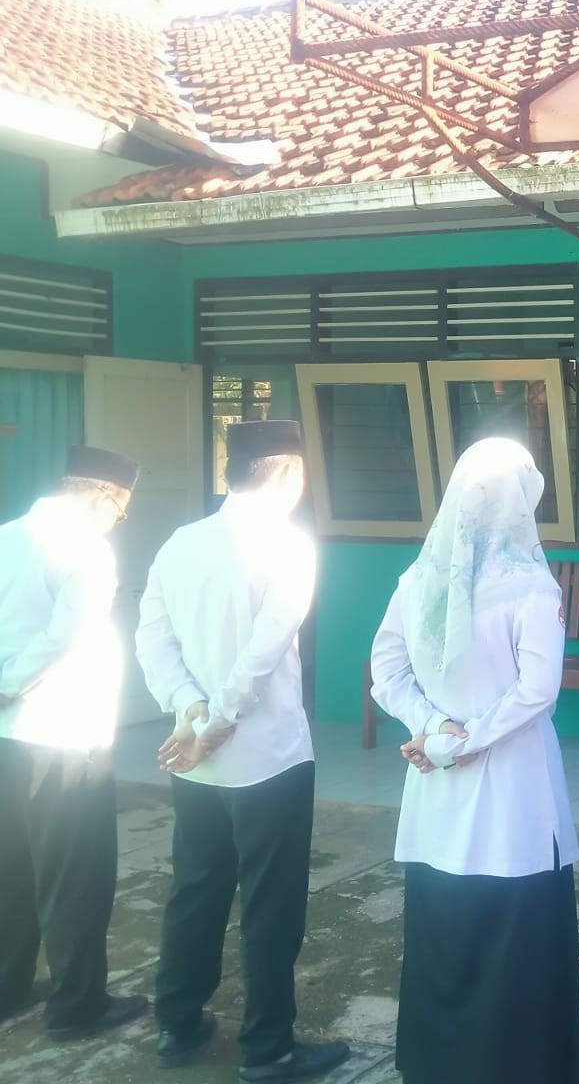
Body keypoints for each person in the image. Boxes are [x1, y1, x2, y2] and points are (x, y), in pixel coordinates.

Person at [135, 420, 348, 1083]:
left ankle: (177, 1023)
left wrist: (191, 711)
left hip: (197, 761)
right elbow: (268, 645)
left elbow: (151, 639)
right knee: (270, 906)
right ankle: (268, 1048)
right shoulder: (288, 544)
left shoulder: (182, 542)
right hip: (267, 760)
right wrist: (220, 717)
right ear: (288, 472)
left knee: (195, 890)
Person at [369, 438, 579, 1084]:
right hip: (512, 797)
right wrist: (463, 738)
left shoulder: (419, 580)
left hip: (436, 787)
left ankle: (439, 1065)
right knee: (515, 940)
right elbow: (539, 692)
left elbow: (385, 671)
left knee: (444, 933)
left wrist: (433, 728)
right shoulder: (531, 587)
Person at [0, 446, 148, 1041]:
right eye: (121, 513)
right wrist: (5, 684)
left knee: (5, 869)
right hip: (60, 736)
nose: (117, 524)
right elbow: (67, 637)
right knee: (75, 876)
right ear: (104, 497)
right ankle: (77, 1005)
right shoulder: (85, 548)